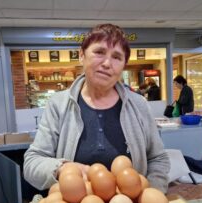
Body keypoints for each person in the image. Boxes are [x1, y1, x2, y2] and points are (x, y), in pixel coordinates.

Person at [24, 24, 170, 193]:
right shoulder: (59, 104)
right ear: (81, 55)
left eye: (116, 57)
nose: (107, 63)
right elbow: (32, 162)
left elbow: (158, 158)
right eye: (99, 52)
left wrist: (150, 196)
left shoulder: (139, 105)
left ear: (123, 65)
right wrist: (63, 169)